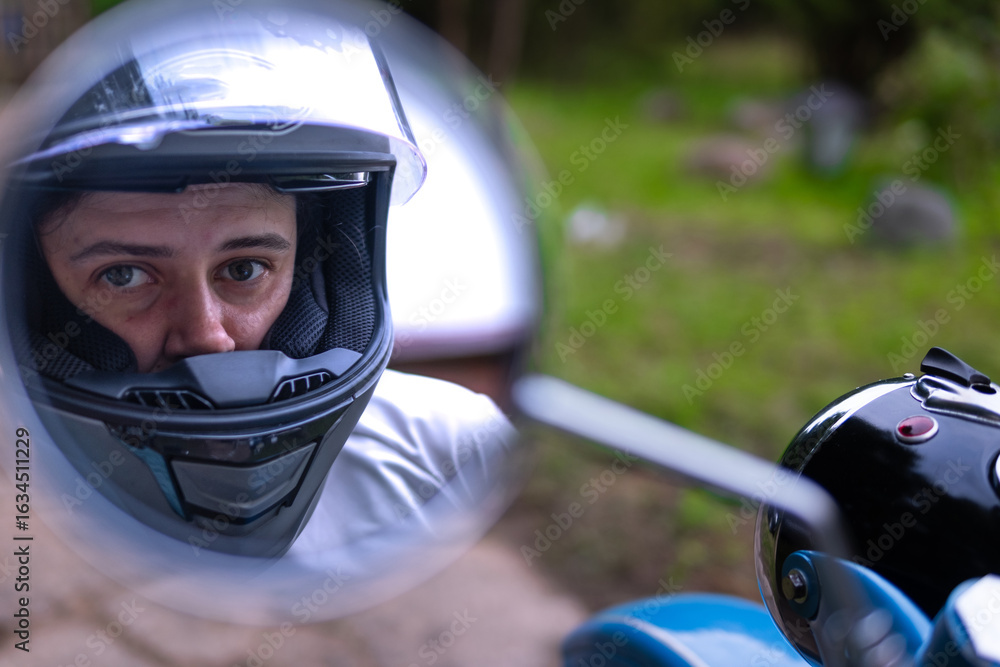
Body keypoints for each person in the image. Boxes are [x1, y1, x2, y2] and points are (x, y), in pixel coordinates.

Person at [4, 0, 520, 584]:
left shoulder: (448, 456)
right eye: (124, 275)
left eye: (246, 269)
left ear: (317, 270)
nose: (207, 337)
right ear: (34, 289)